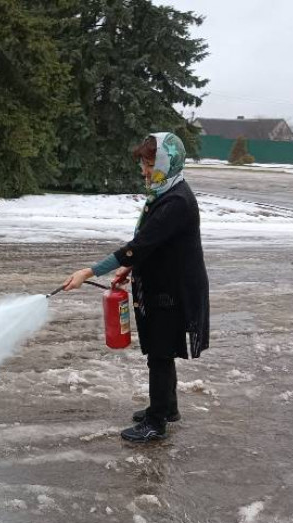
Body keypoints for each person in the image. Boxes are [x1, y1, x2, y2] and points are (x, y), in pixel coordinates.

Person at [61, 132, 209, 444]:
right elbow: (153, 246)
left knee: (159, 352)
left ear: (167, 163)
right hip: (165, 283)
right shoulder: (167, 193)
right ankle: (167, 408)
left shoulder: (176, 202)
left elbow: (139, 245)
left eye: (149, 163)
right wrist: (130, 268)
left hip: (172, 290)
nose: (143, 170)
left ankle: (156, 422)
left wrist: (89, 270)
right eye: (143, 163)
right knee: (162, 351)